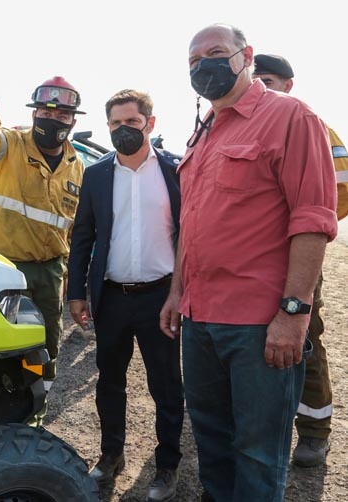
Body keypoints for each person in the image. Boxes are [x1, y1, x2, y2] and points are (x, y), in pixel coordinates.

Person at [159, 24, 338, 501]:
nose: (204, 66)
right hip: (200, 321)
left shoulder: (290, 118)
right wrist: (178, 292)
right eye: (194, 61)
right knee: (212, 443)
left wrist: (294, 314)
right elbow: (191, 225)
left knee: (259, 455)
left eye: (215, 53)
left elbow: (313, 220)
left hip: (259, 325)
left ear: (246, 56)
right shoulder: (204, 132)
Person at [67, 89, 183, 501]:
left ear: (150, 124)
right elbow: (82, 236)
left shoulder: (175, 171)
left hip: (161, 298)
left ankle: (167, 465)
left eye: (131, 122)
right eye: (115, 124)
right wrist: (75, 292)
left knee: (166, 385)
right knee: (109, 382)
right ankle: (110, 455)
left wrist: (183, 292)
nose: (122, 130)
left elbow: (189, 236)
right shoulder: (96, 175)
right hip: (112, 297)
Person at [252, 52, 348, 468]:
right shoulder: (236, 126)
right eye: (258, 82)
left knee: (305, 336)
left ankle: (314, 431)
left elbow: (340, 191)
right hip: (248, 259)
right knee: (251, 339)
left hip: (295, 256)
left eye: (269, 81)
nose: (262, 89)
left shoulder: (313, 127)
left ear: (289, 85)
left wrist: (304, 233)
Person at [0, 78, 86, 390]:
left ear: (73, 121)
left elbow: (73, 226)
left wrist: (71, 275)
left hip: (49, 271)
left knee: (45, 342)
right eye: (47, 112)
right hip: (4, 266)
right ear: (34, 115)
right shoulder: (10, 145)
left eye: (63, 116)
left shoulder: (76, 166)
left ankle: (37, 405)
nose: (54, 120)